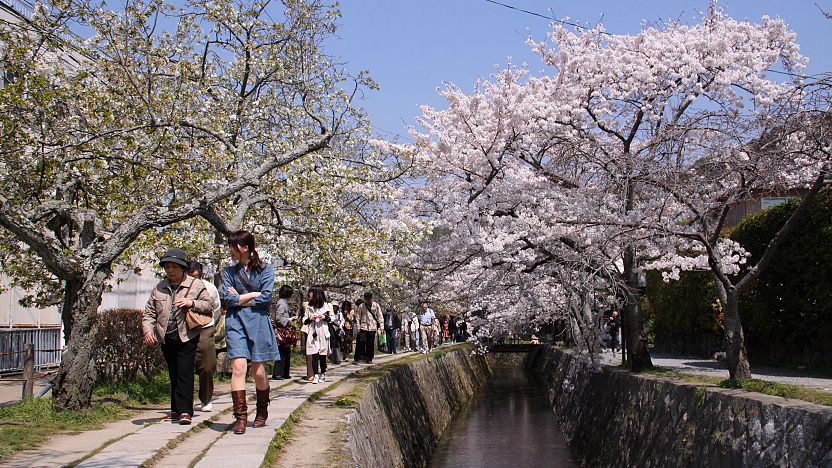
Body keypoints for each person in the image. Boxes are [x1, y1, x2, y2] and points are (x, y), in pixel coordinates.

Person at [142, 248, 213, 425]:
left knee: (185, 372)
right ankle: (175, 409)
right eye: (167, 266)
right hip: (166, 336)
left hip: (187, 335)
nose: (170, 270)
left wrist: (191, 302)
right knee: (174, 373)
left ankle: (185, 412)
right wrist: (148, 331)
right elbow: (149, 312)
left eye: (174, 266)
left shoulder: (195, 285)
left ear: (182, 267)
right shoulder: (159, 287)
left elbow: (208, 305)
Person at [220, 230, 280, 435]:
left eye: (232, 246)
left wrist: (243, 297)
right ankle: (240, 416)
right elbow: (227, 299)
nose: (230, 250)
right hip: (235, 322)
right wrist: (253, 294)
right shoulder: (228, 272)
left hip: (258, 323)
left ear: (244, 248)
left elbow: (266, 298)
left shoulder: (266, 269)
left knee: (258, 371)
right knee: (238, 367)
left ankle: (262, 409)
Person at [186, 261, 222, 412]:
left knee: (207, 366)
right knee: (184, 366)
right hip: (185, 329)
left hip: (205, 328)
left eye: (195, 276)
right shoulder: (180, 287)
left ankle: (205, 398)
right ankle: (185, 401)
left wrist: (209, 324)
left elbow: (217, 309)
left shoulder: (210, 288)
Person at [304, 288, 333, 383]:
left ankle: (323, 373)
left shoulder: (327, 306)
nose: (310, 296)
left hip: (323, 331)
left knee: (322, 354)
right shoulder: (309, 306)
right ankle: (316, 374)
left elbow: (332, 319)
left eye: (311, 294)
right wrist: (310, 318)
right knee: (314, 353)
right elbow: (304, 321)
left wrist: (324, 317)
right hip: (313, 331)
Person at [271, 285, 296, 380]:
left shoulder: (284, 303)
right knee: (281, 351)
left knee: (286, 351)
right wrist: (290, 319)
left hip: (285, 329)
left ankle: (285, 373)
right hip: (282, 330)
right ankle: (277, 373)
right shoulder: (282, 304)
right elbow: (279, 319)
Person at [354, 292, 383, 364]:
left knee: (370, 343)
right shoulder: (361, 306)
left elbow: (380, 316)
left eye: (369, 299)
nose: (368, 300)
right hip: (363, 327)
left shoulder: (376, 306)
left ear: (371, 298)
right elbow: (358, 317)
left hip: (372, 326)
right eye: (366, 299)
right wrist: (358, 327)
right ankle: (361, 357)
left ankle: (369, 358)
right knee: (362, 342)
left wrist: (381, 326)